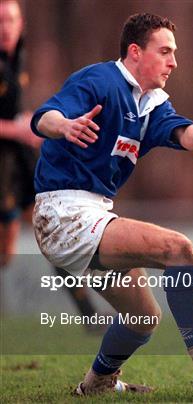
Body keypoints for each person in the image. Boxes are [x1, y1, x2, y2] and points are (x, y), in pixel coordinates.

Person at [30, 13, 193, 397]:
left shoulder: (151, 105)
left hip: (92, 213)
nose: (174, 61)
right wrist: (66, 126)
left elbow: (190, 135)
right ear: (135, 52)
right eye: (165, 51)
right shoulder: (100, 81)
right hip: (64, 213)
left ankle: (96, 385)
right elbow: (44, 117)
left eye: (174, 53)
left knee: (143, 318)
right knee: (178, 249)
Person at [0, 0, 107, 332]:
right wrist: (17, 127)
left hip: (19, 158)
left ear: (20, 24)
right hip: (3, 163)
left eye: (11, 19)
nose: (6, 26)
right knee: (6, 253)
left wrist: (29, 124)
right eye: (1, 20)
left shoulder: (19, 56)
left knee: (54, 229)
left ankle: (90, 315)